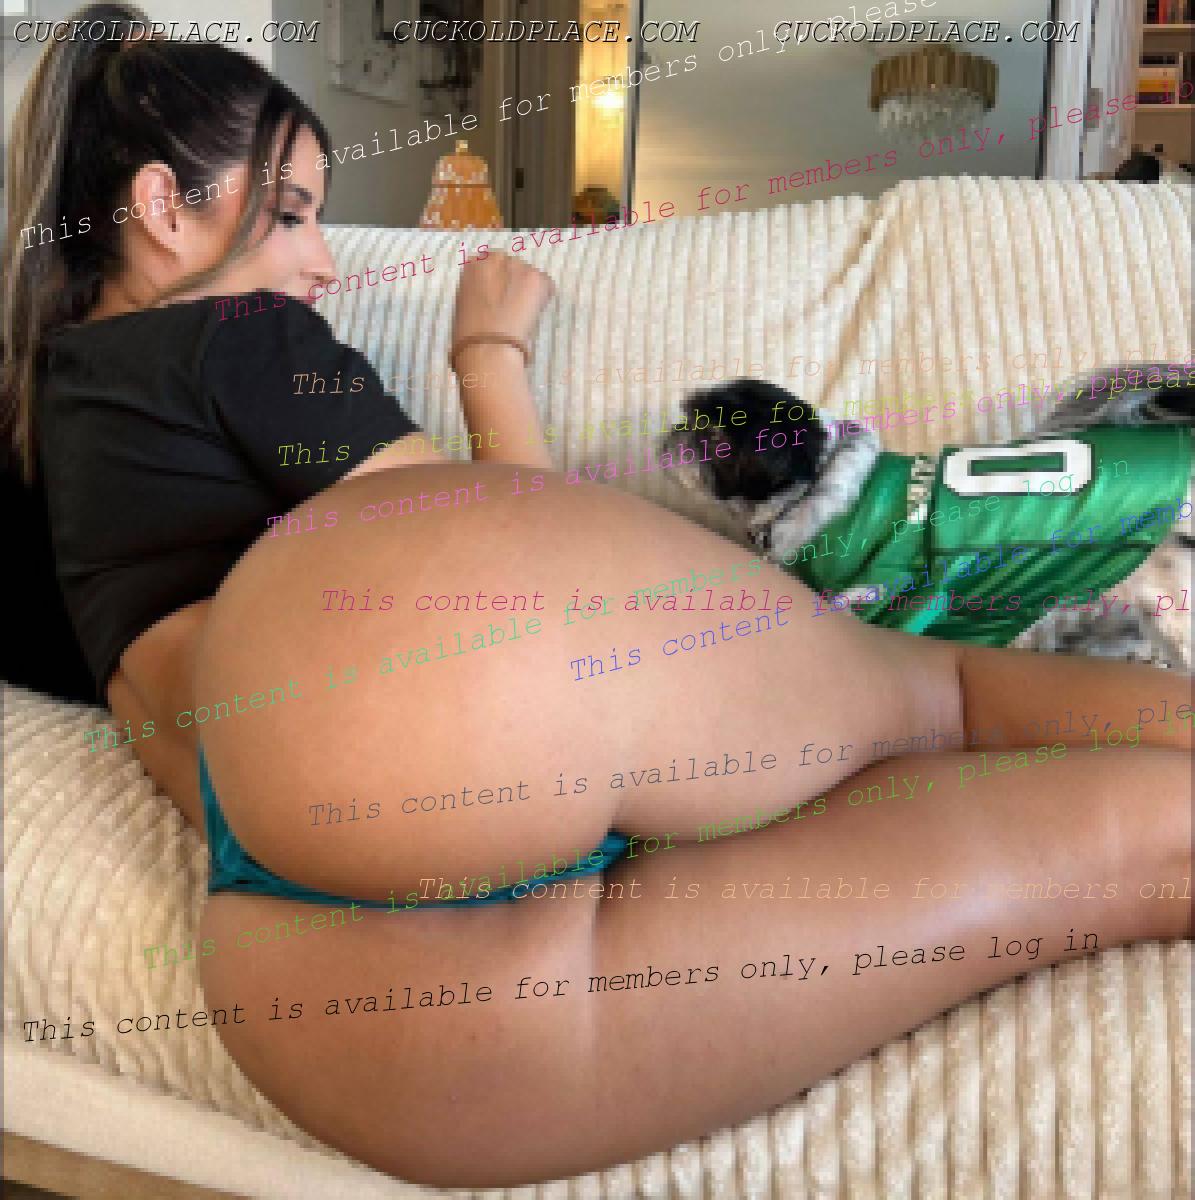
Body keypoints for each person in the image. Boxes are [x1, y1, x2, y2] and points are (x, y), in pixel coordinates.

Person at [3, 5, 1190, 1190]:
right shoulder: (238, 336)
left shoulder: (39, 429)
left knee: (1146, 850)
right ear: (163, 209)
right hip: (404, 702)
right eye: (293, 213)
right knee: (950, 700)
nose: (324, 261)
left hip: (312, 972)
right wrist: (490, 356)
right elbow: (506, 549)